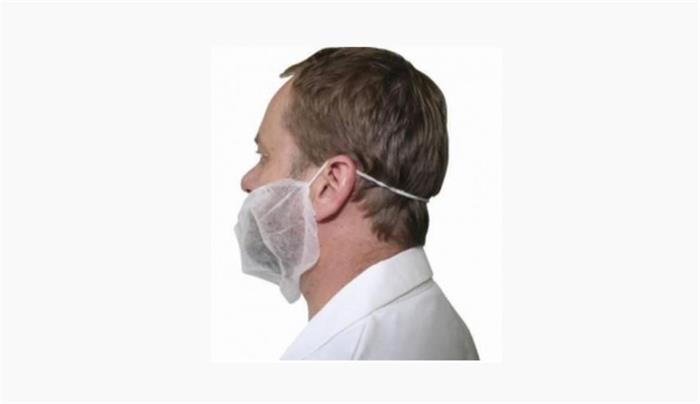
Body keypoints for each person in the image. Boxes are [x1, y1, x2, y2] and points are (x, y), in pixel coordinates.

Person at [234, 47, 479, 360]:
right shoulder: (442, 323)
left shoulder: (341, 355)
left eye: (264, 156)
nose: (247, 181)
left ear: (330, 184)